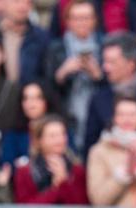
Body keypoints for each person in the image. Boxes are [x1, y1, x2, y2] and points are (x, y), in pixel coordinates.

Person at [43, 0, 102, 155]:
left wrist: (98, 75)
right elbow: (46, 87)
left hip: (98, 115)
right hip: (66, 114)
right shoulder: (55, 48)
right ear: (67, 21)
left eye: (86, 18)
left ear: (95, 20)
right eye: (76, 18)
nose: (81, 23)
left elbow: (117, 85)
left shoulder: (105, 45)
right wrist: (62, 73)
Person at [0, 0, 51, 84]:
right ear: (3, 3)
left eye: (28, 2)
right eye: (17, 1)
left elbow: (46, 74)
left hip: (26, 94)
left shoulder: (41, 37)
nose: (23, 6)